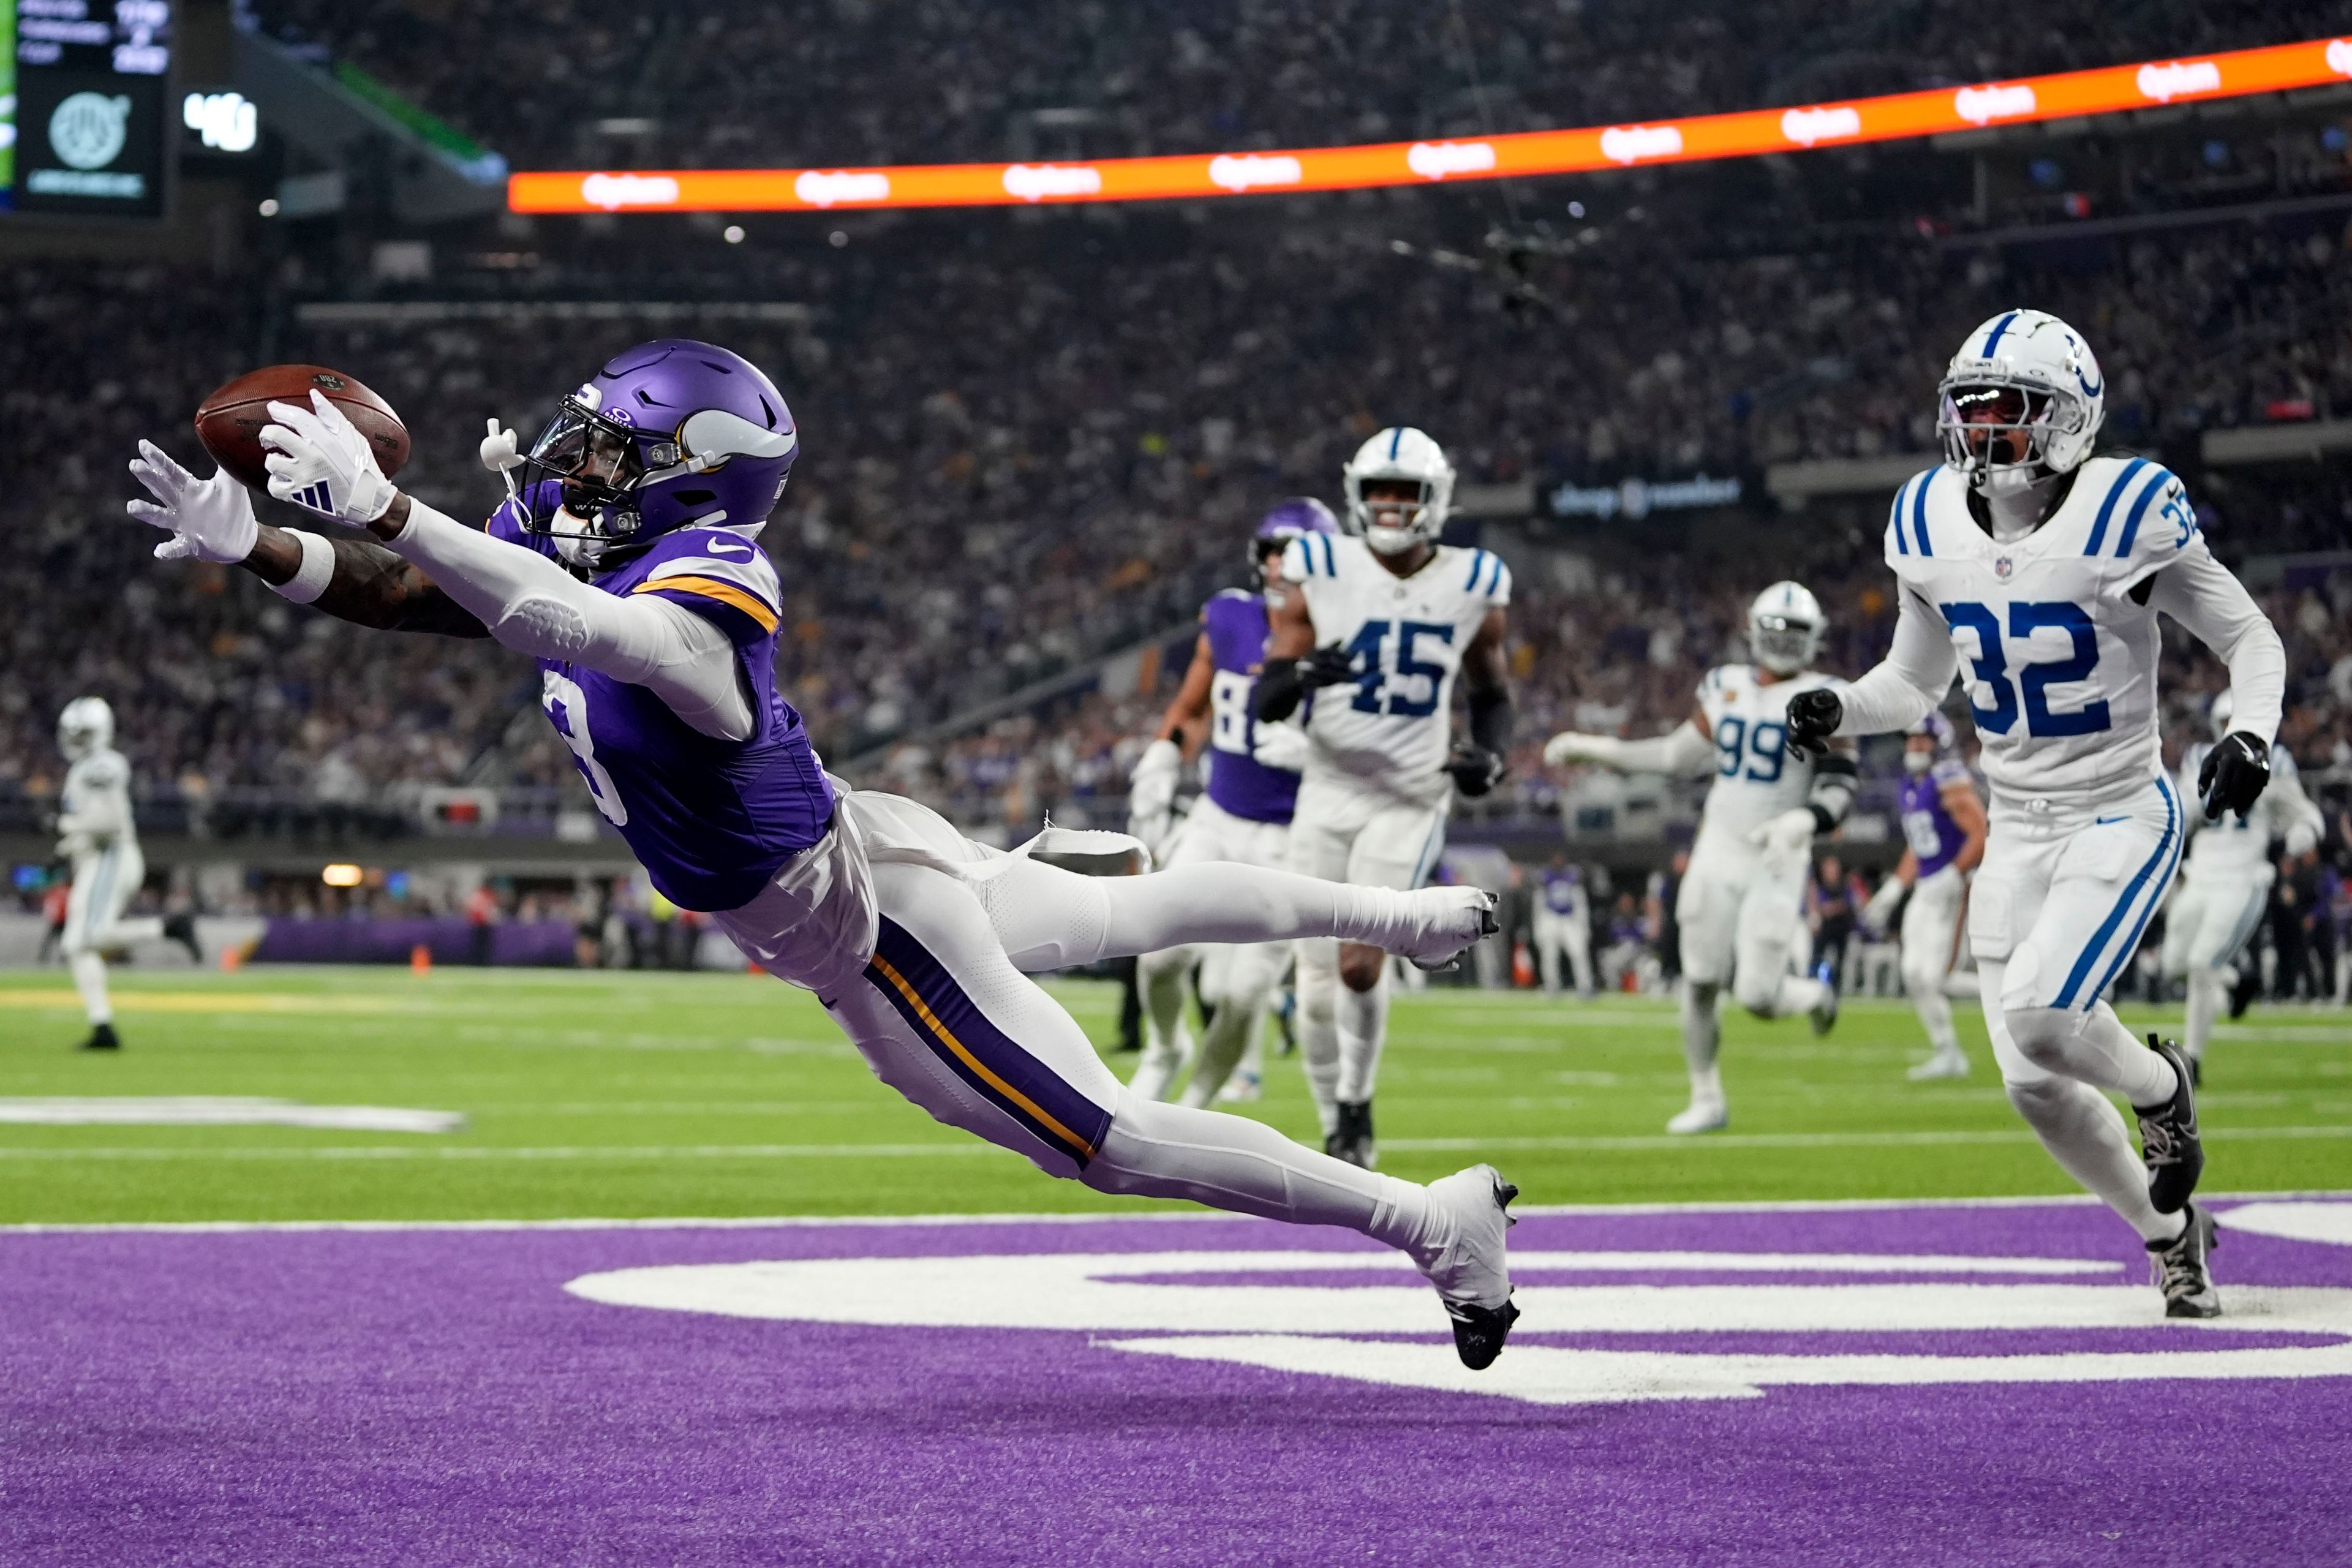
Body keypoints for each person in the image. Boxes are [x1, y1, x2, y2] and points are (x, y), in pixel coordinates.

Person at [124, 340, 1520, 1367]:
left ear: (693, 474)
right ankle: (1393, 913)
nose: (573, 458)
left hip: (860, 923)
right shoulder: (572, 541)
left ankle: (1429, 1218)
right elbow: (440, 598)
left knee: (1110, 1139)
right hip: (857, 836)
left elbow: (584, 634)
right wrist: (267, 548)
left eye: (613, 444)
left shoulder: (713, 578)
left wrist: (381, 505)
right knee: (1129, 910)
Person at [1784, 308, 2286, 1318]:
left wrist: (2251, 735)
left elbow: (2250, 637)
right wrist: (1843, 705)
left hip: (2116, 808)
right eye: (1972, 412)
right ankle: (2172, 1238)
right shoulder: (1927, 519)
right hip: (2015, 824)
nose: (1986, 432)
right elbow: (1912, 686)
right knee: (2031, 1081)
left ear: (2068, 416)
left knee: (2047, 1016)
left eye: (2009, 411)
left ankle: (2159, 1088)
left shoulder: (2126, 509)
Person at [1254, 427, 1515, 1169]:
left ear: (1437, 498)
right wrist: (1304, 674)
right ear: (1357, 496)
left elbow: (1494, 693)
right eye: (1381, 491)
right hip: (1328, 787)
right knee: (1310, 981)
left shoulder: (1474, 580)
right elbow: (1269, 698)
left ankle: (1358, 1105)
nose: (1393, 506)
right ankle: (1335, 1118)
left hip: (1408, 795)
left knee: (1359, 964)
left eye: (1407, 492)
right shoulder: (1319, 564)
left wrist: (1488, 757)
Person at [1544, 583, 1856, 1133]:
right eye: (1775, 629)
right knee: (1701, 979)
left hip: (1779, 853)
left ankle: (1814, 993)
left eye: (1795, 632)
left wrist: (1804, 820)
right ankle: (1707, 1096)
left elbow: (1840, 784)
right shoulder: (1724, 684)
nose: (1782, 642)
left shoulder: (1830, 695)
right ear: (1754, 630)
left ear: (1816, 638)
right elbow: (1673, 756)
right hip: (1720, 845)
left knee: (1758, 995)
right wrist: (1593, 747)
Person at [1124, 499, 1336, 1107]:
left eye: (1293, 553)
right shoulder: (1228, 616)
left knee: (1245, 995)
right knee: (1160, 952)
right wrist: (1165, 755)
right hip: (1218, 816)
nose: (1279, 565)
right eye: (1271, 551)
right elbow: (1192, 711)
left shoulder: (1350, 637)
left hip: (1290, 838)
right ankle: (1166, 1047)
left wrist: (1318, 754)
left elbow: (1373, 754)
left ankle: (1192, 1112)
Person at [2158, 692, 2321, 1076]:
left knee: (2201, 964)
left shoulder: (2276, 764)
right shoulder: (2199, 759)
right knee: (2173, 964)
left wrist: (2303, 833)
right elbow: (2180, 816)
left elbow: (2306, 815)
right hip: (2201, 874)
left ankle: (2192, 1059)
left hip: (2243, 876)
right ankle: (2235, 983)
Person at [50, 698, 202, 1050]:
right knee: (76, 945)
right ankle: (102, 1026)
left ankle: (167, 927)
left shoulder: (102, 765)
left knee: (88, 937)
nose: (76, 740)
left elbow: (110, 823)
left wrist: (68, 826)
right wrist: (67, 846)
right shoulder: (86, 767)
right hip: (98, 858)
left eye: (83, 733)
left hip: (111, 857)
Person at [1860, 711, 1989, 1080]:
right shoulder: (1910, 784)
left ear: (1938, 743)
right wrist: (1893, 889)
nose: (1914, 747)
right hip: (1926, 886)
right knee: (1913, 973)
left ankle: (2023, 999)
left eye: (1922, 741)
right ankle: (1947, 1052)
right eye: (1911, 740)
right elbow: (1918, 846)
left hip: (1952, 886)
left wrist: (1954, 872)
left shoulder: (1949, 779)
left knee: (1940, 977)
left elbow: (1980, 831)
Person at [1531, 855, 1594, 998]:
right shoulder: (1545, 877)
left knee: (1578, 953)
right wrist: (1538, 927)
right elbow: (1539, 903)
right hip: (1551, 918)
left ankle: (1585, 986)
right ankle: (1552, 986)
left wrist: (1584, 925)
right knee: (1550, 955)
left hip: (1569, 919)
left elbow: (1580, 902)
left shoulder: (1572, 876)